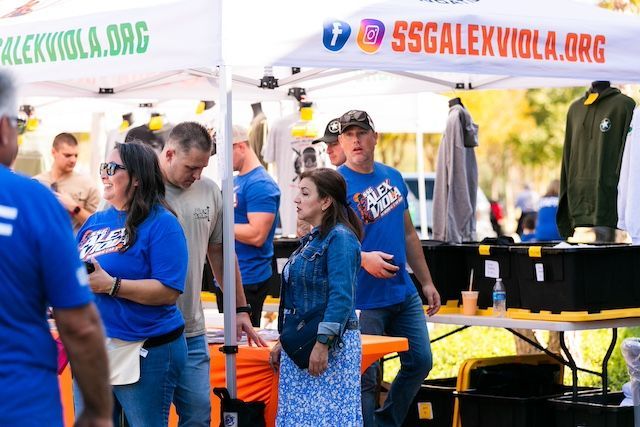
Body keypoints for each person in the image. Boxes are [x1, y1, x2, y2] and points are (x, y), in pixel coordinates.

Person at [0, 70, 113, 427]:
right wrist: (97, 412)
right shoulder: (33, 201)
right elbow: (79, 325)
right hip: (19, 404)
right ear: (4, 128)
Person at [157, 122, 266, 426]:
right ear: (169, 154)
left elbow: (221, 255)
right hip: (148, 331)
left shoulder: (209, 190)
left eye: (202, 167)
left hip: (191, 330)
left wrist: (240, 309)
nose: (197, 175)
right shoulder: (141, 188)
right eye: (191, 167)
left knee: (198, 416)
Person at [337, 109, 441, 427]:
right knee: (366, 378)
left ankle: (386, 422)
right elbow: (325, 241)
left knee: (421, 361)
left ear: (375, 138)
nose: (356, 140)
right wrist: (363, 258)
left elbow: (408, 234)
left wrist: (426, 281)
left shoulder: (393, 177)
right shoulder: (335, 184)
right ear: (341, 141)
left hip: (402, 292)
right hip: (362, 299)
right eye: (349, 135)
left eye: (361, 133)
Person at [77, 141, 189, 426]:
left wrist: (112, 285)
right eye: (103, 167)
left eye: (112, 168)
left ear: (137, 178)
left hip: (144, 348)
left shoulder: (162, 224)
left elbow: (169, 291)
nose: (104, 174)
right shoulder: (95, 221)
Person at [270, 168, 364, 426]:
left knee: (326, 420)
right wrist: (285, 342)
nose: (296, 199)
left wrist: (323, 344)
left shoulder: (340, 238)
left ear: (325, 201)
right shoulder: (313, 239)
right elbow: (300, 299)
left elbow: (341, 298)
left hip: (328, 348)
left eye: (305, 193)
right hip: (305, 346)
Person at [231, 125, 280, 327]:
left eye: (226, 153)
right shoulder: (237, 180)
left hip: (248, 277)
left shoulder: (260, 184)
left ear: (241, 147)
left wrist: (218, 225)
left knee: (243, 339)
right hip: (232, 274)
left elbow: (257, 235)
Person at [34, 132, 100, 233]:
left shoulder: (87, 184)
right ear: (53, 152)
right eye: (67, 155)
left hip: (73, 241)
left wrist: (75, 208)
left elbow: (98, 224)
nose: (73, 160)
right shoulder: (37, 182)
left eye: (76, 155)